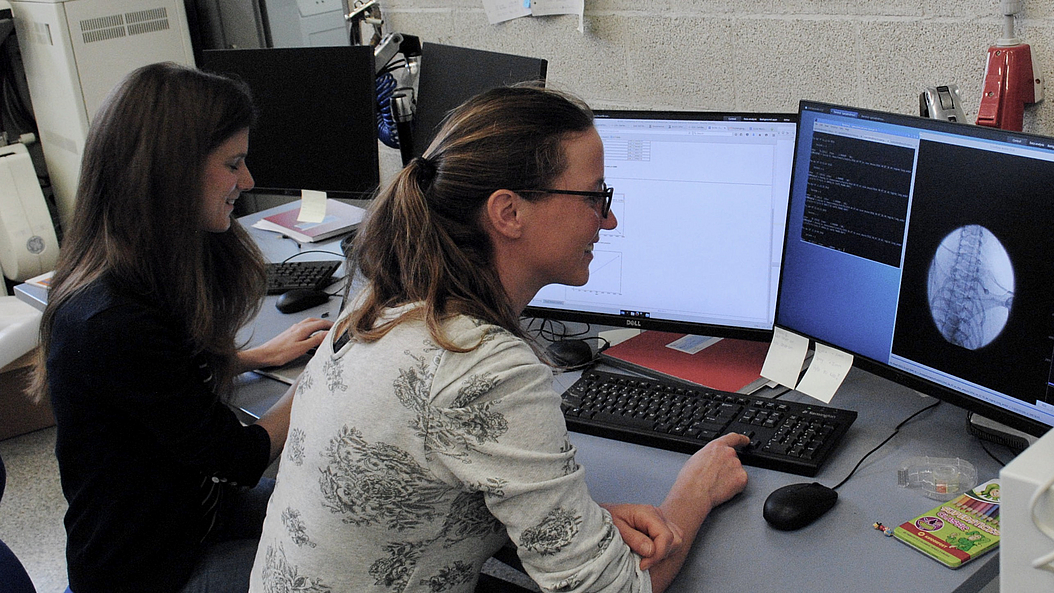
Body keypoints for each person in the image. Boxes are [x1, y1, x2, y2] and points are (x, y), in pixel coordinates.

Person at [248, 84, 748, 593]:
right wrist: (694, 492)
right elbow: (614, 590)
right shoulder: (481, 368)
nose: (610, 218)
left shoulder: (383, 299)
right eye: (596, 197)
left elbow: (427, 486)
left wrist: (573, 524)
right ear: (508, 212)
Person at [31, 62, 333, 593]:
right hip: (154, 569)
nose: (248, 181)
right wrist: (325, 373)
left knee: (343, 517)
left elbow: (159, 378)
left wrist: (252, 358)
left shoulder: (140, 270)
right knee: (353, 566)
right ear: (170, 172)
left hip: (197, 513)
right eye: (233, 164)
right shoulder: (111, 320)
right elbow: (240, 458)